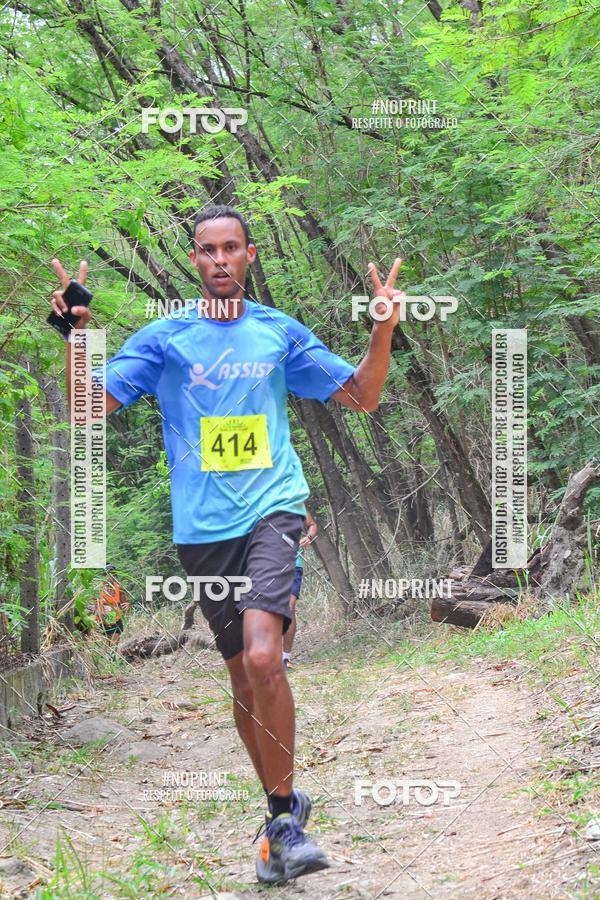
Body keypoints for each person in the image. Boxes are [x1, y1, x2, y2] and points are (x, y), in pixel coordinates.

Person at [49, 204, 405, 885]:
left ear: (249, 255)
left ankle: (286, 824)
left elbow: (362, 395)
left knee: (266, 657)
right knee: (243, 676)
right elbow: (86, 409)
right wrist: (74, 335)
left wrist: (382, 328)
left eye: (231, 247)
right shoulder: (166, 338)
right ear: (194, 259)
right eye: (208, 249)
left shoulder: (278, 332)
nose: (220, 259)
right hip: (204, 532)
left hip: (274, 512)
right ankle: (281, 811)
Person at [282, 511, 317, 671]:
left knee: (289, 608)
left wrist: (308, 537)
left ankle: (285, 658)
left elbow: (312, 525)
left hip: (293, 564)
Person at [94, 564, 128, 642]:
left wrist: (126, 605)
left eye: (113, 574)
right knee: (106, 643)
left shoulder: (119, 588)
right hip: (102, 620)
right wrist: (100, 609)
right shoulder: (99, 588)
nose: (110, 576)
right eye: (108, 574)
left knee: (115, 642)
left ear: (116, 576)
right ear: (104, 576)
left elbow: (124, 602)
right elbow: (92, 603)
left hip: (115, 619)